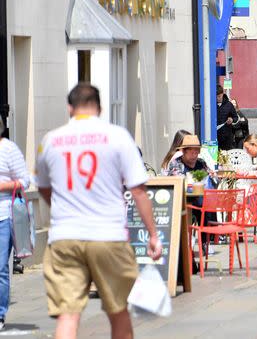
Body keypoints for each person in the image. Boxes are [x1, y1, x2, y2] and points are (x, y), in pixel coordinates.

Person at [35, 83, 161, 339]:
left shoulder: (51, 140)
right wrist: (153, 234)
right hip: (108, 235)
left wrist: (61, 209)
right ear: (100, 108)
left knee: (68, 315)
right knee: (118, 310)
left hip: (64, 236)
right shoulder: (117, 136)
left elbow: (43, 187)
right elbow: (138, 190)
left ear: (69, 108)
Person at [0, 118, 30, 331]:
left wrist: (4, 185)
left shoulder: (9, 149)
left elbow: (25, 180)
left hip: (3, 215)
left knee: (0, 267)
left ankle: (0, 314)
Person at [216, 85, 238, 150]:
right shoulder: (212, 104)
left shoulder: (228, 104)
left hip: (226, 136)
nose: (217, 98)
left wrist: (231, 119)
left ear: (222, 94)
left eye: (219, 96)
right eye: (216, 97)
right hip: (215, 136)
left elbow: (235, 117)